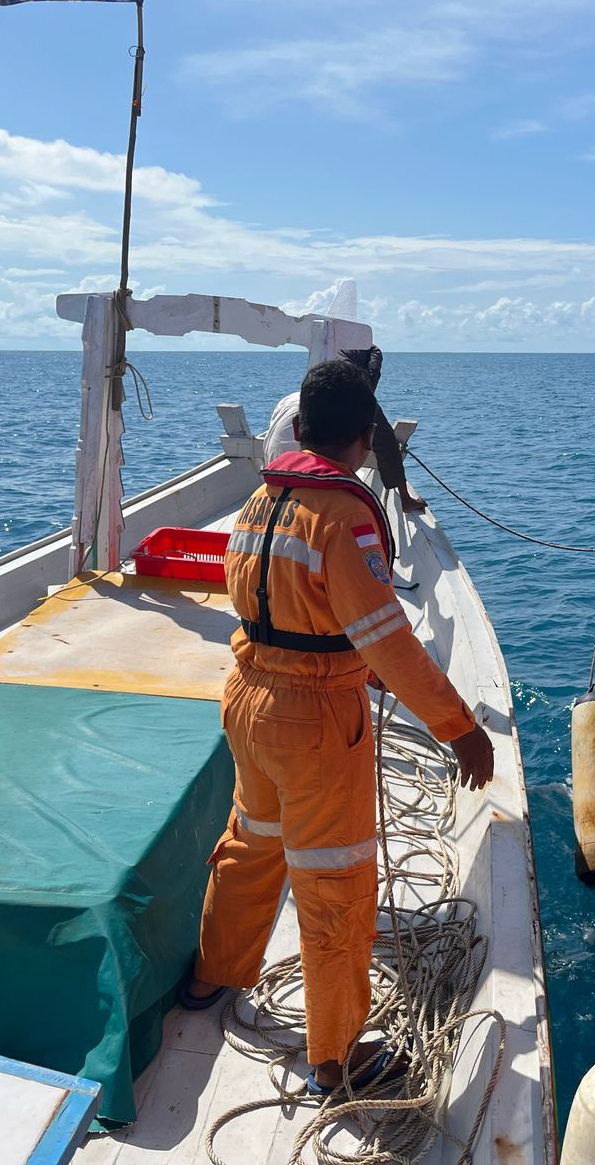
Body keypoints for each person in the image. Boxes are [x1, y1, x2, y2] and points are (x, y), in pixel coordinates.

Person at [182, 354, 493, 1094]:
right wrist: (459, 728)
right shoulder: (344, 514)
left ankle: (210, 978)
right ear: (361, 437)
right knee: (337, 889)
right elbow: (386, 638)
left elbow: (287, 607)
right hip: (316, 722)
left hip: (248, 700)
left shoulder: (262, 503)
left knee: (251, 846)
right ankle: (336, 1056)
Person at [264, 345, 427, 513]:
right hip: (312, 480)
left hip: (273, 474)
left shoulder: (295, 398)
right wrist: (405, 499)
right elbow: (388, 447)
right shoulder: (356, 403)